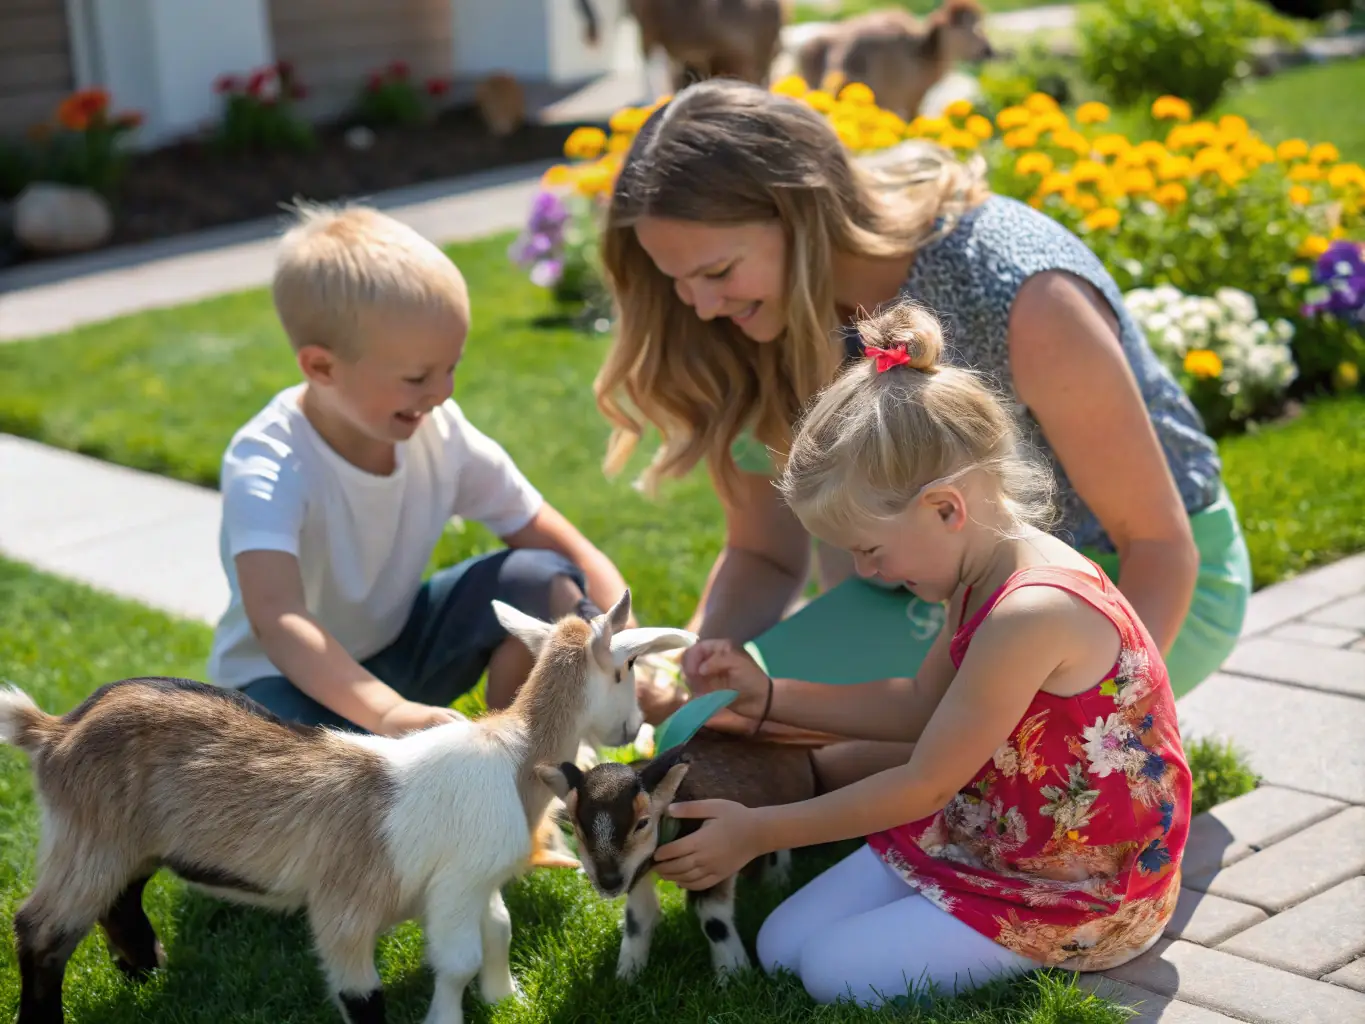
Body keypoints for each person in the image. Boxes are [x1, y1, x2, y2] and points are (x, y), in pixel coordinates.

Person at [593, 78, 1251, 787]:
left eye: (717, 271)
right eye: (677, 281)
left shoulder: (1017, 290)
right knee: (739, 722)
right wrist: (690, 666)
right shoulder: (753, 316)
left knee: (851, 763)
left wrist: (1109, 722)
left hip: (1121, 590)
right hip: (928, 600)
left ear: (802, 214)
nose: (699, 306)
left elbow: (1158, 544)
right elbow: (763, 552)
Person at [651, 301, 1193, 1006]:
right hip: (989, 836)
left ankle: (1029, 940)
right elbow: (918, 706)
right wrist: (770, 696)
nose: (866, 571)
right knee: (782, 946)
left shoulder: (1029, 612)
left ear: (944, 508)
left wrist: (759, 830)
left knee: (831, 974)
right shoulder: (975, 573)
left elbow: (924, 785)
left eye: (870, 549)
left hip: (1081, 886)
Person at [207, 203, 650, 735]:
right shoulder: (269, 461)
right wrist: (389, 713)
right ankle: (390, 751)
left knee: (538, 577)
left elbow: (552, 538)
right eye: (417, 378)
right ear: (322, 367)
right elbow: (278, 618)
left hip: (400, 651)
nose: (441, 393)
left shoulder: (440, 432)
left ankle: (516, 750)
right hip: (281, 687)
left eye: (451, 367)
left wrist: (625, 645)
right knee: (297, 758)